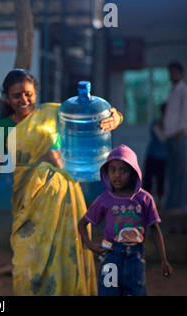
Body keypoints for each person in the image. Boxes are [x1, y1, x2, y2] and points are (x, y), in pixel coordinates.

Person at [0, 69, 123, 296]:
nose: (23, 100)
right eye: (16, 96)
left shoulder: (55, 112)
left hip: (63, 200)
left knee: (66, 258)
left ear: (36, 92)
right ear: (7, 97)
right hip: (28, 204)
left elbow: (99, 116)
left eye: (28, 94)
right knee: (26, 263)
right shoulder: (4, 126)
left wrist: (115, 117)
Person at [78, 144, 173, 296]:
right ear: (106, 172)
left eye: (123, 170)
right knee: (108, 293)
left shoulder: (145, 199)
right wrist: (91, 246)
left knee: (136, 292)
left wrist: (164, 260)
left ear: (133, 172)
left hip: (135, 258)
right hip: (110, 255)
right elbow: (82, 224)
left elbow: (155, 230)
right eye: (113, 170)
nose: (117, 175)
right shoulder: (104, 199)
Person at [163, 62, 187, 212]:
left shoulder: (184, 90)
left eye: (173, 72)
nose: (171, 76)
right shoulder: (172, 91)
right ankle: (172, 203)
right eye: (170, 72)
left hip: (179, 135)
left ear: (180, 73)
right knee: (172, 171)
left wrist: (182, 129)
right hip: (170, 135)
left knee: (181, 171)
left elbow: (185, 112)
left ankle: (181, 204)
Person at [142, 103, 167, 207]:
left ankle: (159, 203)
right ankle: (147, 202)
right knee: (148, 180)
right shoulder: (156, 123)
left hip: (163, 157)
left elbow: (165, 138)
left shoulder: (171, 126)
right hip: (152, 154)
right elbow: (161, 137)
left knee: (161, 180)